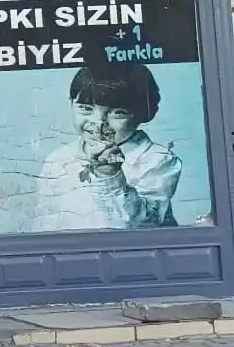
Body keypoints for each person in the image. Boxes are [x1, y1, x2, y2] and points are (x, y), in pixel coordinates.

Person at [32, 64, 182, 231]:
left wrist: (109, 176)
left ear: (146, 112)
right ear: (71, 104)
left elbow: (144, 224)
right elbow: (45, 222)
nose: (98, 123)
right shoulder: (58, 160)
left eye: (118, 112)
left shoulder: (158, 160)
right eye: (86, 109)